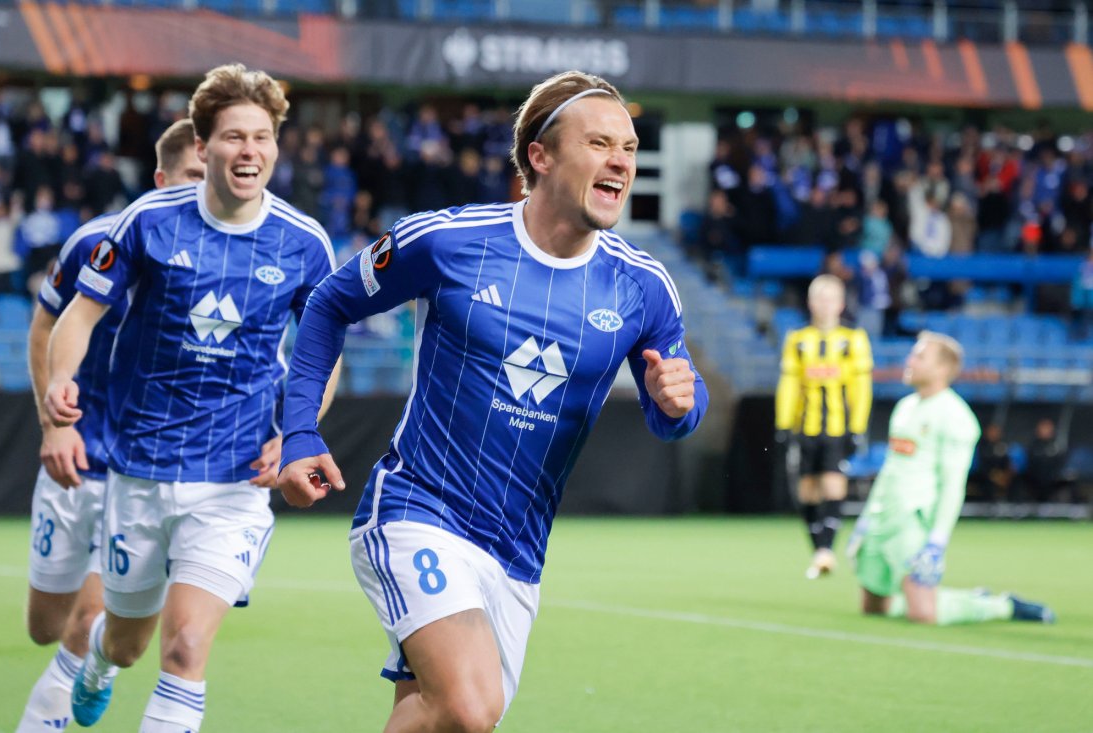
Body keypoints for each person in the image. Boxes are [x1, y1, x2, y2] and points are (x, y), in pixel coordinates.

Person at [278, 70, 708, 732]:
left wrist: (679, 403)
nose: (622, 161)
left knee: (438, 715)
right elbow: (330, 303)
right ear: (540, 156)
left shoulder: (642, 286)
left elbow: (676, 409)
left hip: (517, 553)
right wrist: (301, 431)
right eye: (599, 143)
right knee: (470, 705)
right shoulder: (448, 242)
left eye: (629, 147)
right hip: (418, 509)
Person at [43, 64, 340, 732]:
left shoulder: (304, 243)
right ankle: (98, 662)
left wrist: (298, 432)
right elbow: (80, 316)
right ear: (203, 147)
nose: (249, 151)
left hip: (235, 478)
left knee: (185, 647)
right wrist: (60, 387)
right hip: (139, 468)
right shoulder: (148, 221)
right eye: (234, 137)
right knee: (127, 641)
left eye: (262, 137)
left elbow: (323, 355)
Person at [14, 119, 205, 733]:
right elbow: (44, 327)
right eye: (192, 176)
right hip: (75, 454)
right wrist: (52, 425)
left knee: (87, 624)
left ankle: (55, 704)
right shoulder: (96, 241)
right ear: (161, 180)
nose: (204, 189)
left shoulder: (224, 261)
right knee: (45, 625)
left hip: (145, 470)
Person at [847, 332, 1055, 625]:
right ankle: (966, 597)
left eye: (920, 356)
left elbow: (953, 485)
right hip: (883, 517)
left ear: (942, 369)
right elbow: (890, 470)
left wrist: (937, 541)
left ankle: (1000, 606)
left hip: (913, 519)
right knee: (874, 607)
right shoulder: (905, 407)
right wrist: (866, 518)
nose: (909, 361)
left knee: (924, 614)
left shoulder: (956, 416)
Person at [776, 274, 872, 579]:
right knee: (806, 490)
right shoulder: (797, 339)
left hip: (837, 428)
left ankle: (826, 550)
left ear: (841, 304)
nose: (825, 304)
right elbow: (789, 384)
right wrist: (783, 423)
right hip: (805, 428)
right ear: (810, 302)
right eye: (819, 298)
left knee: (832, 482)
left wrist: (857, 427)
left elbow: (861, 388)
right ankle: (820, 550)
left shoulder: (854, 339)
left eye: (831, 298)